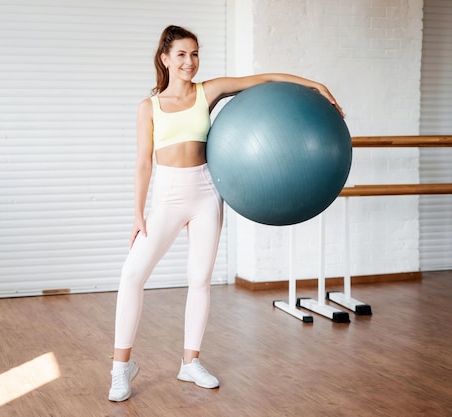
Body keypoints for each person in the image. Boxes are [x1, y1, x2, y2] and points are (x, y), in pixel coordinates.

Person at [108, 25, 343, 402]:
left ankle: (190, 362)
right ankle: (121, 369)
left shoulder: (209, 91)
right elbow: (142, 164)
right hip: (168, 196)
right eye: (182, 54)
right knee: (132, 275)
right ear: (165, 59)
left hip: (206, 193)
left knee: (199, 279)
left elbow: (264, 78)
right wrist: (138, 214)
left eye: (195, 54)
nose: (190, 62)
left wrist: (314, 85)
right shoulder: (148, 107)